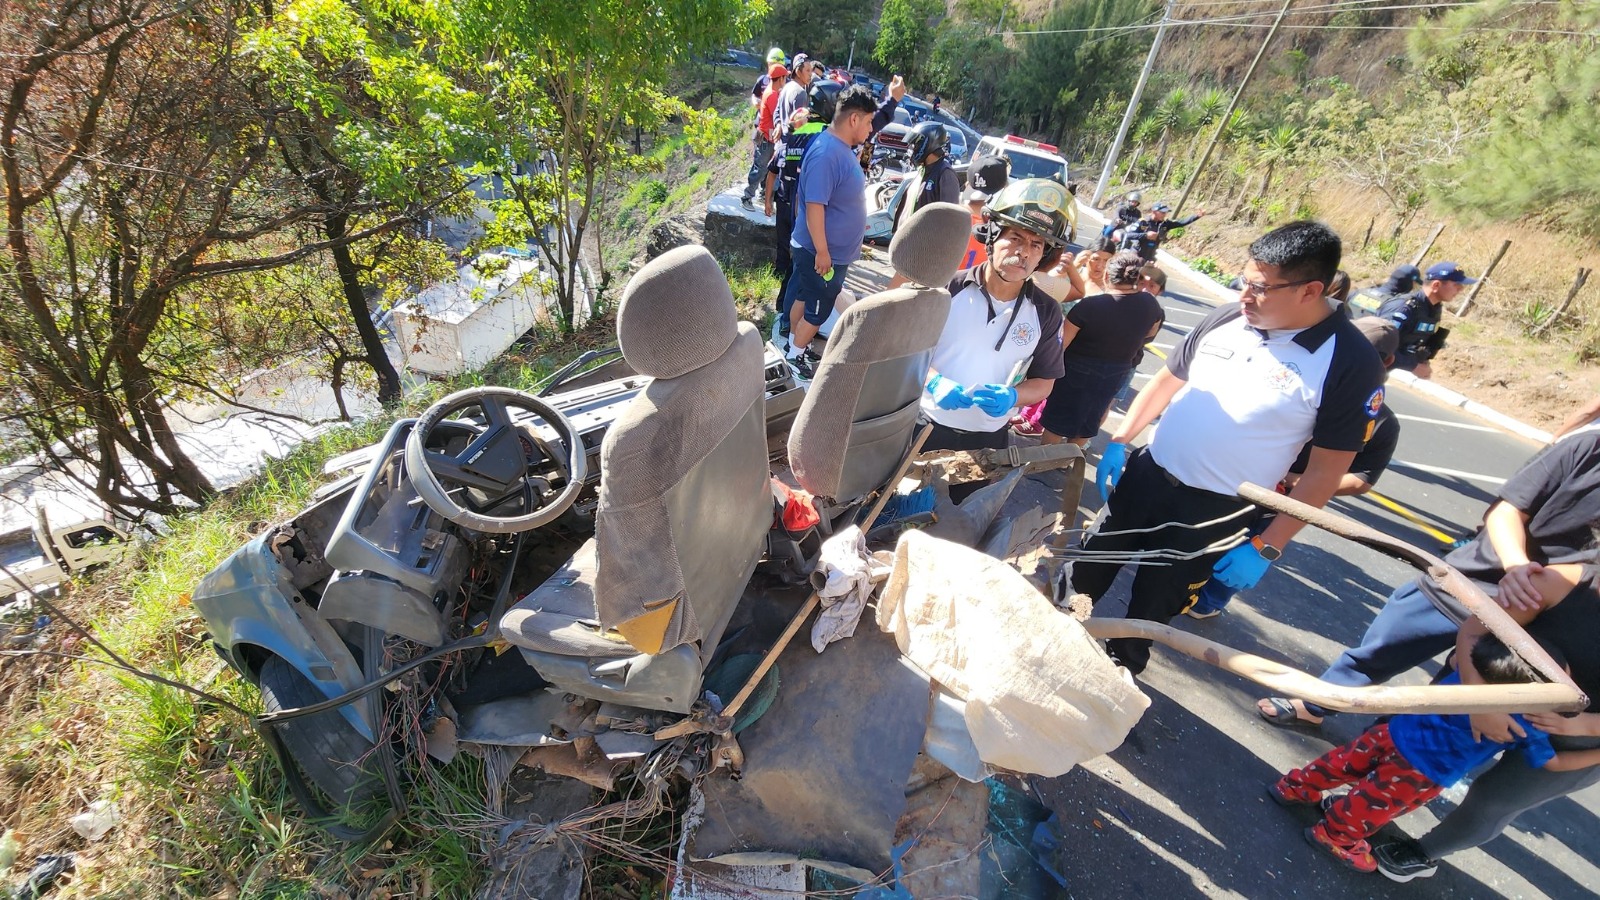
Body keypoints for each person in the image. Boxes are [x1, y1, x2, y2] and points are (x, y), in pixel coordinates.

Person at [1065, 221, 1386, 675]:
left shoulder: (1350, 361)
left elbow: (1325, 473)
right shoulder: (1229, 317)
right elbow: (1166, 381)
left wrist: (1267, 546)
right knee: (1082, 576)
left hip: (1215, 512)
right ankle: (1053, 642)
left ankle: (1115, 679)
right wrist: (1121, 441)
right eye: (1244, 282)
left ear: (1310, 290)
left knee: (1151, 612)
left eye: (1260, 288)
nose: (1245, 296)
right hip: (1149, 476)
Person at [1256, 425, 1600, 727]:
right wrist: (1516, 565)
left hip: (1545, 619)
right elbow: (1506, 510)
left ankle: (1382, 755)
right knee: (1381, 650)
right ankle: (1317, 703)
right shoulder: (1585, 449)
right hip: (1475, 580)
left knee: (1450, 701)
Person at [1270, 632, 1575, 874]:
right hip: (1423, 769)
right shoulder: (1529, 721)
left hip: (1393, 732)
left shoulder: (1469, 673)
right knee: (1376, 802)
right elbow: (1551, 761)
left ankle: (1296, 786)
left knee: (1343, 762)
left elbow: (1458, 656)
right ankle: (1335, 836)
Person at [1372, 565, 1600, 882]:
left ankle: (1425, 851)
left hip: (1580, 736)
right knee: (1415, 754)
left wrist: (1586, 727)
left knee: (1494, 800)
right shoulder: (1561, 583)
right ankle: (1366, 805)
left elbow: (1554, 763)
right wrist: (1479, 701)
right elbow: (1474, 631)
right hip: (1489, 691)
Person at [1187, 317, 1403, 618]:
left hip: (1283, 501)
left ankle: (1206, 602)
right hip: (1241, 480)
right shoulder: (1306, 382)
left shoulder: (1379, 419)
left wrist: (1296, 481)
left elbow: (1362, 479)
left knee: (1248, 550)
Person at [920, 179, 1073, 497]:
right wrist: (934, 382)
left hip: (987, 442)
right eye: (1016, 237)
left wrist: (1013, 397)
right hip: (924, 428)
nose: (1024, 253)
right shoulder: (947, 289)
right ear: (991, 235)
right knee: (896, 514)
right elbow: (905, 354)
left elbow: (1044, 382)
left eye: (1036, 245)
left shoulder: (1045, 312)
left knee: (958, 523)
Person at [782, 85, 878, 378]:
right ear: (854, 119)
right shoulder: (827, 153)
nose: (871, 128)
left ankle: (793, 345)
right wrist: (823, 251)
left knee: (804, 296)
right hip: (820, 253)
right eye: (869, 121)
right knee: (818, 308)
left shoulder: (840, 149)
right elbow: (814, 206)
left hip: (824, 251)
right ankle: (794, 358)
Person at [1038, 251, 1164, 448]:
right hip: (1116, 372)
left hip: (1075, 369)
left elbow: (1061, 344)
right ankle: (1066, 462)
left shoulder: (1090, 305)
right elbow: (1150, 333)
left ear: (1107, 276)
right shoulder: (1150, 304)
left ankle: (1042, 460)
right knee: (1090, 419)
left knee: (1058, 419)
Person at [764, 83, 834, 335]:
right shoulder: (823, 136)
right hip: (807, 213)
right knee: (802, 273)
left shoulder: (797, 134)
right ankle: (788, 326)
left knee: (792, 266)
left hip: (790, 205)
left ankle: (783, 313)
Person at [1383, 261, 1474, 378]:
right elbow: (1379, 346)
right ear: (1436, 285)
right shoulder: (1404, 308)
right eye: (1456, 284)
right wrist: (1413, 366)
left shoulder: (1433, 309)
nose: (1461, 289)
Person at [893, 122, 960, 232]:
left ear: (929, 144)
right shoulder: (922, 171)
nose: (912, 148)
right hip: (906, 243)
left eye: (916, 144)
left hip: (923, 246)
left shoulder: (945, 174)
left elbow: (949, 219)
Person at [742, 63, 788, 208]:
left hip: (769, 138)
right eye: (785, 77)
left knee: (768, 169)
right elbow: (779, 117)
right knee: (760, 169)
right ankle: (747, 197)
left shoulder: (771, 91)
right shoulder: (773, 95)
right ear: (780, 79)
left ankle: (764, 197)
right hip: (767, 139)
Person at [1121, 201, 1204, 262]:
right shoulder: (1143, 221)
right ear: (1154, 212)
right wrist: (1145, 235)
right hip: (1136, 254)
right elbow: (1129, 235)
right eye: (1162, 212)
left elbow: (1181, 222)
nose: (1165, 214)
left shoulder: (1165, 224)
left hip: (1150, 257)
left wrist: (1196, 216)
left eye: (1166, 212)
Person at [1347, 264, 1421, 317]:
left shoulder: (1357, 293)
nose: (1414, 287)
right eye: (1415, 284)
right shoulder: (1395, 306)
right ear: (1409, 283)